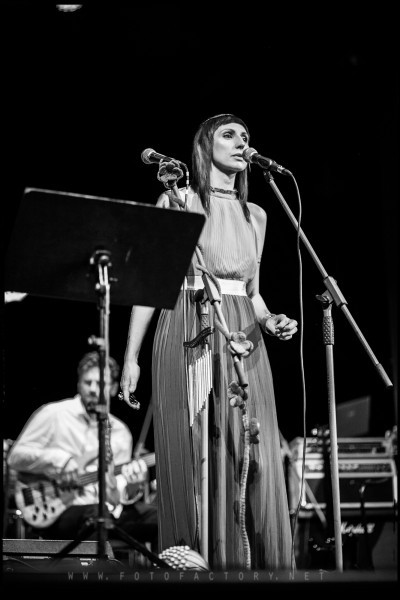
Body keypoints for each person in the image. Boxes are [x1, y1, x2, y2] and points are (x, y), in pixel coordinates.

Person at [120, 113, 298, 571]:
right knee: (192, 447)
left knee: (252, 450)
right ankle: (193, 561)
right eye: (229, 134)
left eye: (246, 136)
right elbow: (151, 283)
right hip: (186, 322)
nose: (242, 142)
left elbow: (252, 293)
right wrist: (130, 357)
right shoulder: (178, 199)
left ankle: (254, 565)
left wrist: (270, 319)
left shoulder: (256, 215)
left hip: (243, 333)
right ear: (205, 146)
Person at [7, 351, 158, 552]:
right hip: (59, 510)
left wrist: (131, 486)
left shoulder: (121, 433)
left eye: (101, 384)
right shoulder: (54, 414)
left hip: (106, 512)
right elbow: (15, 457)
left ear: (114, 388)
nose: (94, 389)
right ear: (79, 384)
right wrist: (59, 460)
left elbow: (115, 495)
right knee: (97, 515)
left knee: (158, 518)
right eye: (88, 383)